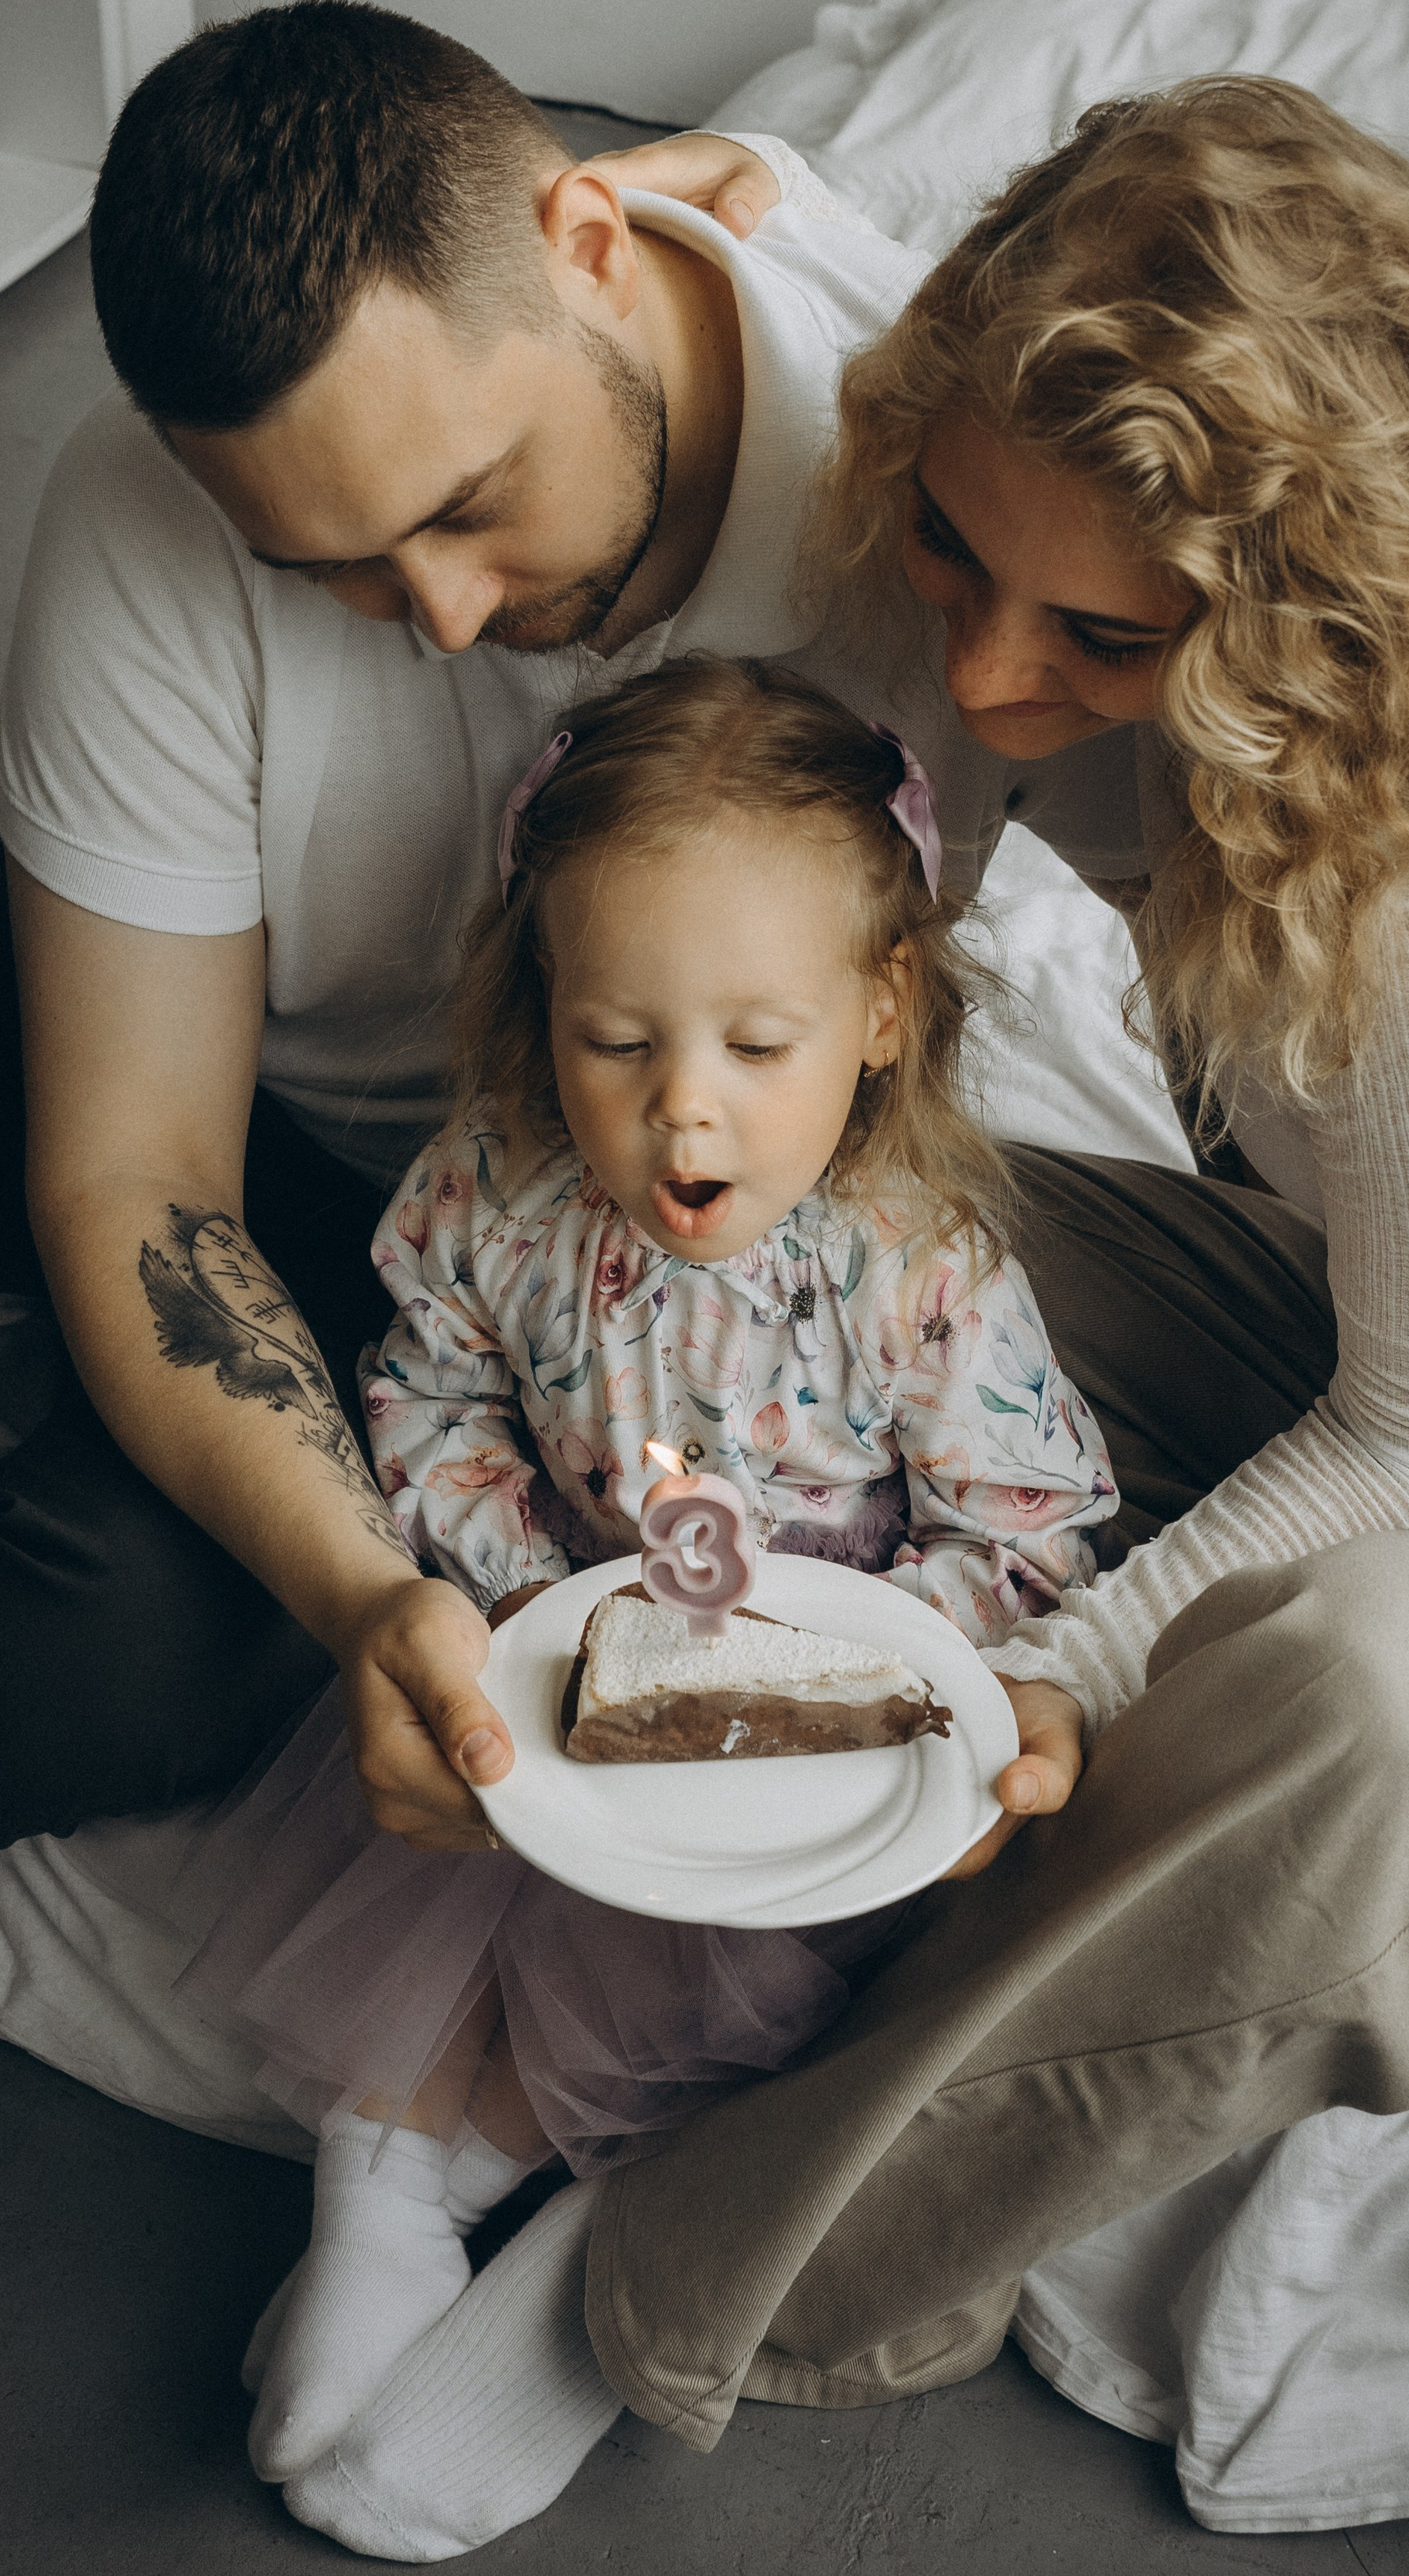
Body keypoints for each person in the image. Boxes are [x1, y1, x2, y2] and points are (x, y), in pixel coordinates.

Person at [261, 82, 1409, 2563]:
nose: (997, 673)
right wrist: (760, 203)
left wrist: (1058, 1672)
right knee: (848, 1254)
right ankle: (605, 1838)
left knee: (1360, 1709)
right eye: (952, 555)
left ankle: (680, 2264)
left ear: (1314, 627)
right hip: (1379, 1293)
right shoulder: (1024, 549)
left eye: (1107, 637)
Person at [0, 0, 967, 1890]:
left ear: (585, 249)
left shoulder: (937, 502)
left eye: (469, 506)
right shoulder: (147, 507)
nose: (449, 620)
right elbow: (141, 1167)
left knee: (113, 1656)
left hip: (497, 1276)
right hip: (155, 1012)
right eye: (333, 569)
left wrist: (367, 1593)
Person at [178, 655, 1115, 2499]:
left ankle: (467, 2176)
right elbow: (423, 1390)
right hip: (563, 1632)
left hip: (806, 1700)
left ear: (875, 1012)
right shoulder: (496, 1197)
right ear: (546, 1010)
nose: (684, 1117)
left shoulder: (913, 1266)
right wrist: (525, 1576)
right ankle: (369, 2189)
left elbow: (1025, 1527)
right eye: (618, 1042)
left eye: (753, 1051)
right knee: (452, 1846)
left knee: (728, 1960)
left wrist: (894, 1650)